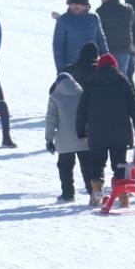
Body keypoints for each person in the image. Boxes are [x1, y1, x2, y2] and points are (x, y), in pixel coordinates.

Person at [75, 54, 135, 207]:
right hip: (120, 132)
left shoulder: (91, 83)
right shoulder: (122, 81)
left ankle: (97, 192)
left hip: (97, 132)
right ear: (115, 66)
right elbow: (134, 105)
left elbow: (82, 110)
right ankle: (123, 196)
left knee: (97, 164)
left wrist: (80, 131)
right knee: (119, 164)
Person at [45, 72, 88, 203]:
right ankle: (93, 190)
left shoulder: (55, 97)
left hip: (65, 140)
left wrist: (49, 139)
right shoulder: (83, 93)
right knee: (87, 165)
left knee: (65, 167)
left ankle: (68, 194)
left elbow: (51, 120)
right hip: (84, 137)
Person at [52, 0, 108, 72]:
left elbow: (101, 40)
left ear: (85, 5)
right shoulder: (64, 20)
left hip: (91, 66)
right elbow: (58, 46)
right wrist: (61, 69)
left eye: (78, 4)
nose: (75, 6)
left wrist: (107, 61)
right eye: (73, 4)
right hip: (72, 67)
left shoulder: (93, 18)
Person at [96, 0, 135, 79]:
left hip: (109, 50)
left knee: (108, 76)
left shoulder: (102, 11)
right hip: (125, 48)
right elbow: (133, 21)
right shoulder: (127, 9)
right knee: (122, 76)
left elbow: (98, 30)